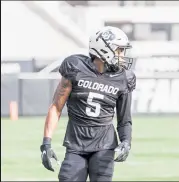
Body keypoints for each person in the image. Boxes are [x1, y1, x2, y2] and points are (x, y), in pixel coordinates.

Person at [40, 26, 136, 181]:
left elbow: (124, 119)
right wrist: (46, 143)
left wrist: (126, 141)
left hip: (104, 146)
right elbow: (56, 107)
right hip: (75, 145)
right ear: (104, 49)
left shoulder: (123, 78)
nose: (122, 55)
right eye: (119, 50)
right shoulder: (76, 67)